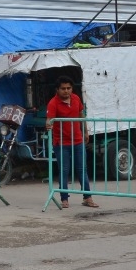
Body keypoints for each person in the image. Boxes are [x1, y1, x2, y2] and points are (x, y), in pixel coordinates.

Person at [46, 76, 96, 208]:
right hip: (61, 143)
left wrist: (85, 131)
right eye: (63, 89)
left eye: (69, 88)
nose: (66, 91)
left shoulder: (76, 98)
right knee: (64, 171)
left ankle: (87, 197)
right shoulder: (53, 103)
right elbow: (49, 120)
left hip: (78, 141)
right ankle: (64, 199)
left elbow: (81, 115)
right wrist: (48, 124)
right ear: (57, 89)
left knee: (82, 170)